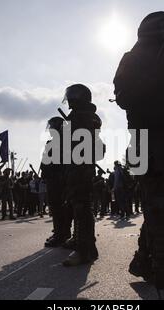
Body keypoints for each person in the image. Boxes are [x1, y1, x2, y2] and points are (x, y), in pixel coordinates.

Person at [113, 12, 164, 299]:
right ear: (156, 33)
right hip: (144, 140)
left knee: (163, 210)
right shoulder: (134, 58)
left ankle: (143, 260)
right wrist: (154, 74)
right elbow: (124, 96)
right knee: (159, 209)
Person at [62, 84, 104, 267]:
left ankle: (83, 250)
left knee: (81, 208)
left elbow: (83, 144)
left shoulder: (83, 117)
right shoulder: (82, 116)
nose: (69, 101)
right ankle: (87, 247)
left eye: (71, 97)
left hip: (80, 168)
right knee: (80, 207)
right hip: (77, 167)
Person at [41, 117, 72, 247]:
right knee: (55, 207)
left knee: (60, 207)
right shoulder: (54, 142)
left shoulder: (65, 142)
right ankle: (61, 232)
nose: (51, 130)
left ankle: (62, 234)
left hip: (59, 179)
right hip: (52, 179)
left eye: (53, 127)